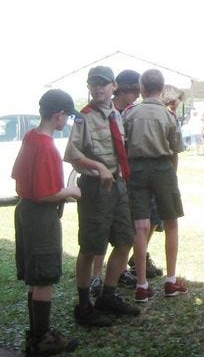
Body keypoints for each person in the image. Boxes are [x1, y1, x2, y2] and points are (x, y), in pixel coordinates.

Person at [65, 65, 140, 326]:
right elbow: (72, 154)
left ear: (113, 87)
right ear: (88, 88)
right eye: (93, 84)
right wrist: (98, 167)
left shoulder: (115, 115)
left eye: (103, 83)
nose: (98, 88)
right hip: (96, 188)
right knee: (90, 247)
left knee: (124, 240)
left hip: (118, 185)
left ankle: (107, 296)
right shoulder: (83, 117)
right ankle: (84, 306)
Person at [12, 89, 82, 357]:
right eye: (66, 116)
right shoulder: (47, 147)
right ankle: (42, 340)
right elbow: (46, 194)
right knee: (44, 279)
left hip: (24, 212)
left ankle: (35, 336)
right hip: (41, 217)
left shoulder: (30, 137)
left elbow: (17, 177)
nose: (66, 121)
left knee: (34, 276)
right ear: (58, 115)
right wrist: (71, 192)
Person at [123, 68, 188, 301]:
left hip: (136, 169)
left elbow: (122, 144)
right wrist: (172, 174)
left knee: (140, 226)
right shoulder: (169, 116)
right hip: (163, 168)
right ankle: (170, 281)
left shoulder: (129, 113)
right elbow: (176, 149)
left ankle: (141, 285)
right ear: (161, 90)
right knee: (171, 223)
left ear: (142, 88)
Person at [87, 68, 144, 296]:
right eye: (134, 91)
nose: (136, 96)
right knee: (100, 235)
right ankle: (95, 278)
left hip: (122, 179)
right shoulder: (91, 115)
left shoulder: (120, 115)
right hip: (102, 183)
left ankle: (115, 277)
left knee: (123, 233)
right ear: (124, 89)